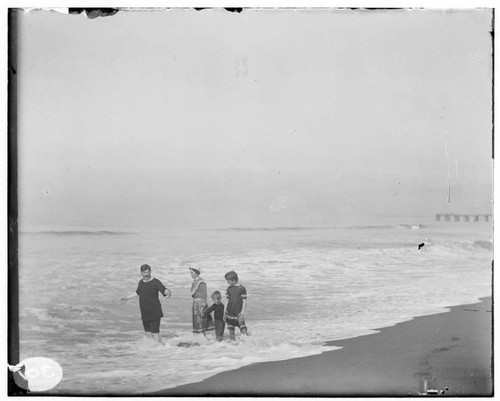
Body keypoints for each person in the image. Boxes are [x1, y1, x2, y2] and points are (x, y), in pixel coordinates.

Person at [121, 264, 171, 343]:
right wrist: (127, 298)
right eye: (144, 273)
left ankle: (161, 349)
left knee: (155, 333)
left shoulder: (155, 282)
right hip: (145, 312)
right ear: (141, 273)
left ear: (150, 272)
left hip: (155, 312)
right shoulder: (141, 282)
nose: (146, 274)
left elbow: (164, 290)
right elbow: (138, 292)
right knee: (148, 333)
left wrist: (168, 293)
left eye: (148, 272)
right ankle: (151, 351)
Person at [189, 267, 213, 335]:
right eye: (190, 273)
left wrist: (203, 306)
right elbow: (192, 294)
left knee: (201, 321)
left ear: (196, 273)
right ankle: (198, 338)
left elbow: (204, 295)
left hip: (200, 303)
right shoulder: (194, 282)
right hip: (195, 303)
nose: (191, 275)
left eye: (192, 273)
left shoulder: (201, 282)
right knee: (196, 321)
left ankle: (203, 337)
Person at [223, 270, 248, 340]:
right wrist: (224, 311)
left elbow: (244, 301)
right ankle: (233, 347)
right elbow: (227, 300)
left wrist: (242, 313)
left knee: (243, 330)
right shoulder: (229, 289)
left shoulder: (242, 289)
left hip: (238, 313)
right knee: (231, 331)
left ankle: (248, 344)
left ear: (234, 280)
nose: (227, 282)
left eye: (228, 281)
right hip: (230, 312)